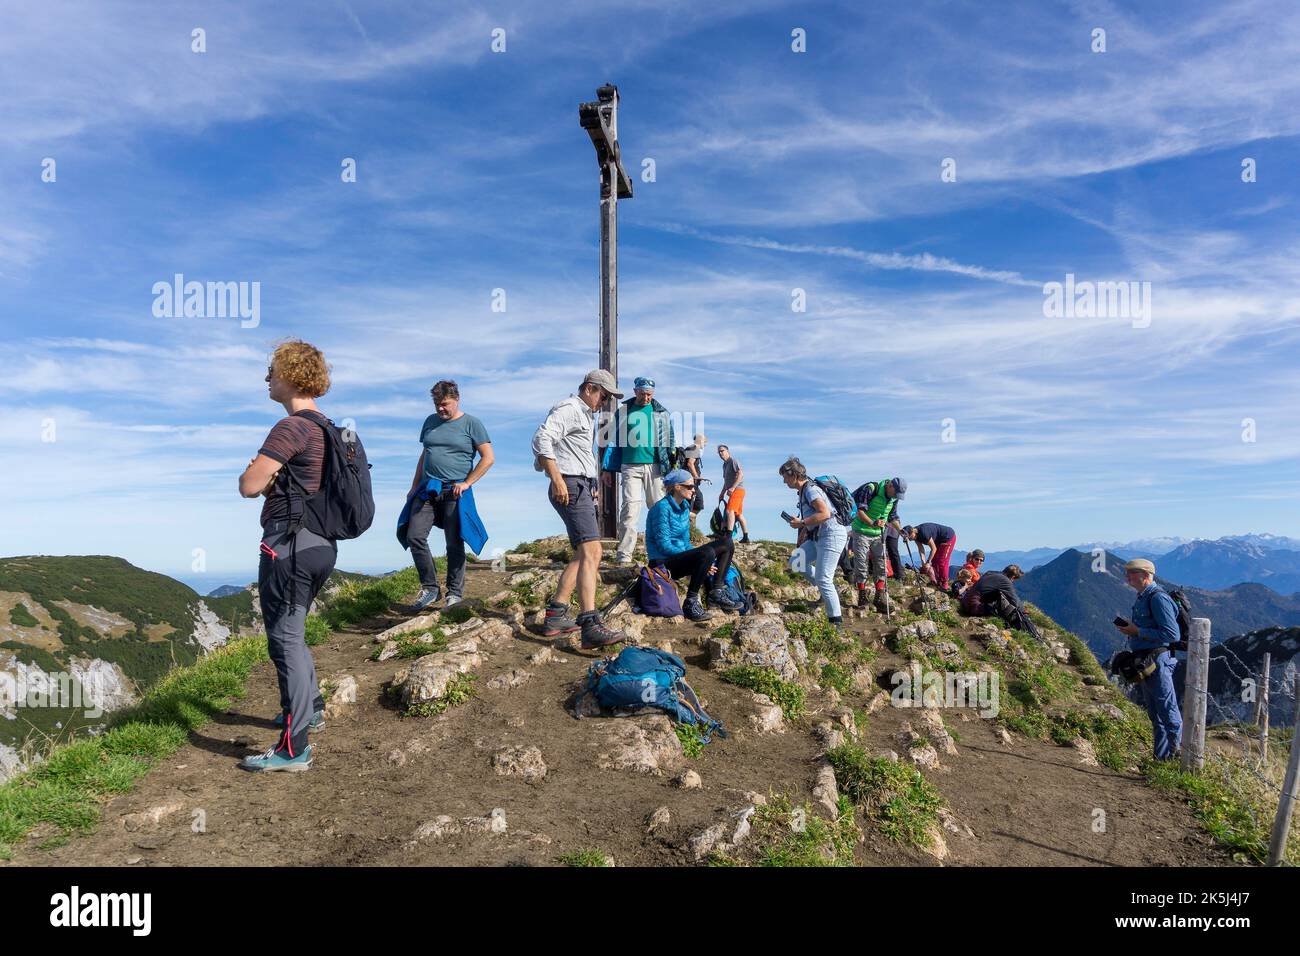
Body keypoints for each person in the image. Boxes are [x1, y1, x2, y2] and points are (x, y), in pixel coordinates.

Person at [237, 340, 337, 772]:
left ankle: (294, 749)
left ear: (292, 376)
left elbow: (248, 485)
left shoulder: (292, 428)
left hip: (289, 546)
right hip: (321, 545)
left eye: (272, 371)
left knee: (284, 639)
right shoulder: (329, 428)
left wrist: (257, 468)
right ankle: (310, 707)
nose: (267, 379)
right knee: (294, 634)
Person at [532, 370, 629, 649]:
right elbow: (542, 439)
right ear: (589, 388)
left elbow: (577, 452)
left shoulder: (586, 414)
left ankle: (556, 615)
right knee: (592, 551)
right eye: (604, 395)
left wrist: (592, 482)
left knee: (583, 552)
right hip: (570, 484)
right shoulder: (570, 408)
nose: (606, 401)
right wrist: (557, 478)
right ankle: (590, 624)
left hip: (581, 484)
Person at [403, 381, 493, 611]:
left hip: (455, 491)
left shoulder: (472, 423)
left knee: (454, 543)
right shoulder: (430, 422)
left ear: (457, 399)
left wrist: (467, 483)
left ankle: (454, 593)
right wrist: (414, 486)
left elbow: (488, 458)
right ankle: (431, 589)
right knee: (414, 535)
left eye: (444, 404)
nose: (440, 409)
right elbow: (425, 454)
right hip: (427, 489)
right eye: (436, 404)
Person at [645, 469, 743, 621]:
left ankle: (716, 592)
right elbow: (663, 545)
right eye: (690, 486)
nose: (694, 490)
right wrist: (698, 557)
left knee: (726, 543)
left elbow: (685, 543)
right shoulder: (661, 508)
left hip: (678, 558)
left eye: (694, 486)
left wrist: (700, 559)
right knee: (707, 553)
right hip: (661, 564)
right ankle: (690, 602)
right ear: (677, 487)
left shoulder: (684, 507)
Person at [602, 376, 677, 565]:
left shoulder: (662, 413)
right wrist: (606, 469)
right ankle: (624, 556)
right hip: (630, 466)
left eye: (649, 395)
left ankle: (661, 553)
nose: (646, 398)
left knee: (659, 509)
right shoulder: (624, 411)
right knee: (630, 508)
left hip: (656, 466)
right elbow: (612, 441)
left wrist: (673, 469)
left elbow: (671, 443)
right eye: (643, 394)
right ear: (635, 391)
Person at [1115, 558, 1183, 761]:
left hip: (1158, 661)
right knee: (1155, 713)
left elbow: (1173, 634)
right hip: (1147, 661)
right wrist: (1133, 629)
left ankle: (1178, 756)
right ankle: (1161, 759)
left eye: (1132, 573)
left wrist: (1138, 631)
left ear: (1146, 575)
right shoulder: (1143, 596)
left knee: (1167, 708)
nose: (1127, 577)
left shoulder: (1157, 598)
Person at [781, 457, 849, 625]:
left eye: (785, 476)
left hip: (831, 535)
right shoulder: (805, 490)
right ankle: (826, 591)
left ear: (795, 475)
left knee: (824, 578)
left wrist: (802, 523)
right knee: (797, 561)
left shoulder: (811, 490)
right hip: (818, 535)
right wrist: (804, 525)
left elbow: (825, 514)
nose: (784, 481)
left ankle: (836, 623)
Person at [849, 477, 907, 613]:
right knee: (861, 563)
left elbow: (892, 516)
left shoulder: (894, 498)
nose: (896, 496)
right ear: (890, 485)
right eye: (896, 493)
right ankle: (862, 597)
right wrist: (873, 523)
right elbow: (860, 511)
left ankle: (879, 597)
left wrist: (900, 530)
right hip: (861, 531)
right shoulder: (870, 489)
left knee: (881, 564)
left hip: (879, 534)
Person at [964, 565, 1042, 641]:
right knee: (1005, 620)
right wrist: (1023, 610)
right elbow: (1014, 599)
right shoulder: (1005, 580)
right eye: (1014, 580)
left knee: (998, 596)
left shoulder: (990, 573)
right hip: (974, 607)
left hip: (965, 601)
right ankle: (1022, 635)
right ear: (1013, 577)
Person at [904, 522, 957, 590]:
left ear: (912, 532)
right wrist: (923, 563)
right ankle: (937, 581)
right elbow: (921, 549)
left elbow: (933, 548)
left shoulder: (924, 533)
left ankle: (944, 584)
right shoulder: (915, 536)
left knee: (941, 561)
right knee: (934, 561)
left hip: (948, 537)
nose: (910, 539)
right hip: (939, 541)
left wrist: (928, 562)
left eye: (909, 537)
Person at [716, 445, 750, 543]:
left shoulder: (733, 461)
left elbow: (740, 474)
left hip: (738, 489)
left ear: (727, 451)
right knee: (738, 514)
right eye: (719, 452)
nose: (720, 453)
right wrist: (722, 493)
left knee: (729, 510)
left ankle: (728, 536)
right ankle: (745, 537)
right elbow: (726, 481)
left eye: (722, 451)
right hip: (734, 490)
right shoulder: (724, 465)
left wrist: (733, 487)